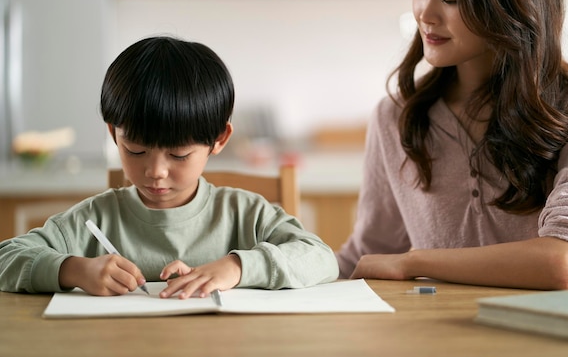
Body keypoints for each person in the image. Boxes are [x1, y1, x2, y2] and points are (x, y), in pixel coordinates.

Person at [336, 0, 568, 290]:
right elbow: (367, 255)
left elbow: (563, 262)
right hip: (450, 336)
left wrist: (415, 261)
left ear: (513, 3)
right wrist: (268, 267)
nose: (426, 14)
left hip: (563, 335)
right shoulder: (395, 117)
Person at [0, 36, 338, 299]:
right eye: (135, 150)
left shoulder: (244, 214)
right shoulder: (94, 220)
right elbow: (7, 257)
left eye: (178, 155)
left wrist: (236, 267)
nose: (156, 171)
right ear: (113, 134)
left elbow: (321, 258)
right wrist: (71, 270)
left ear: (219, 139)